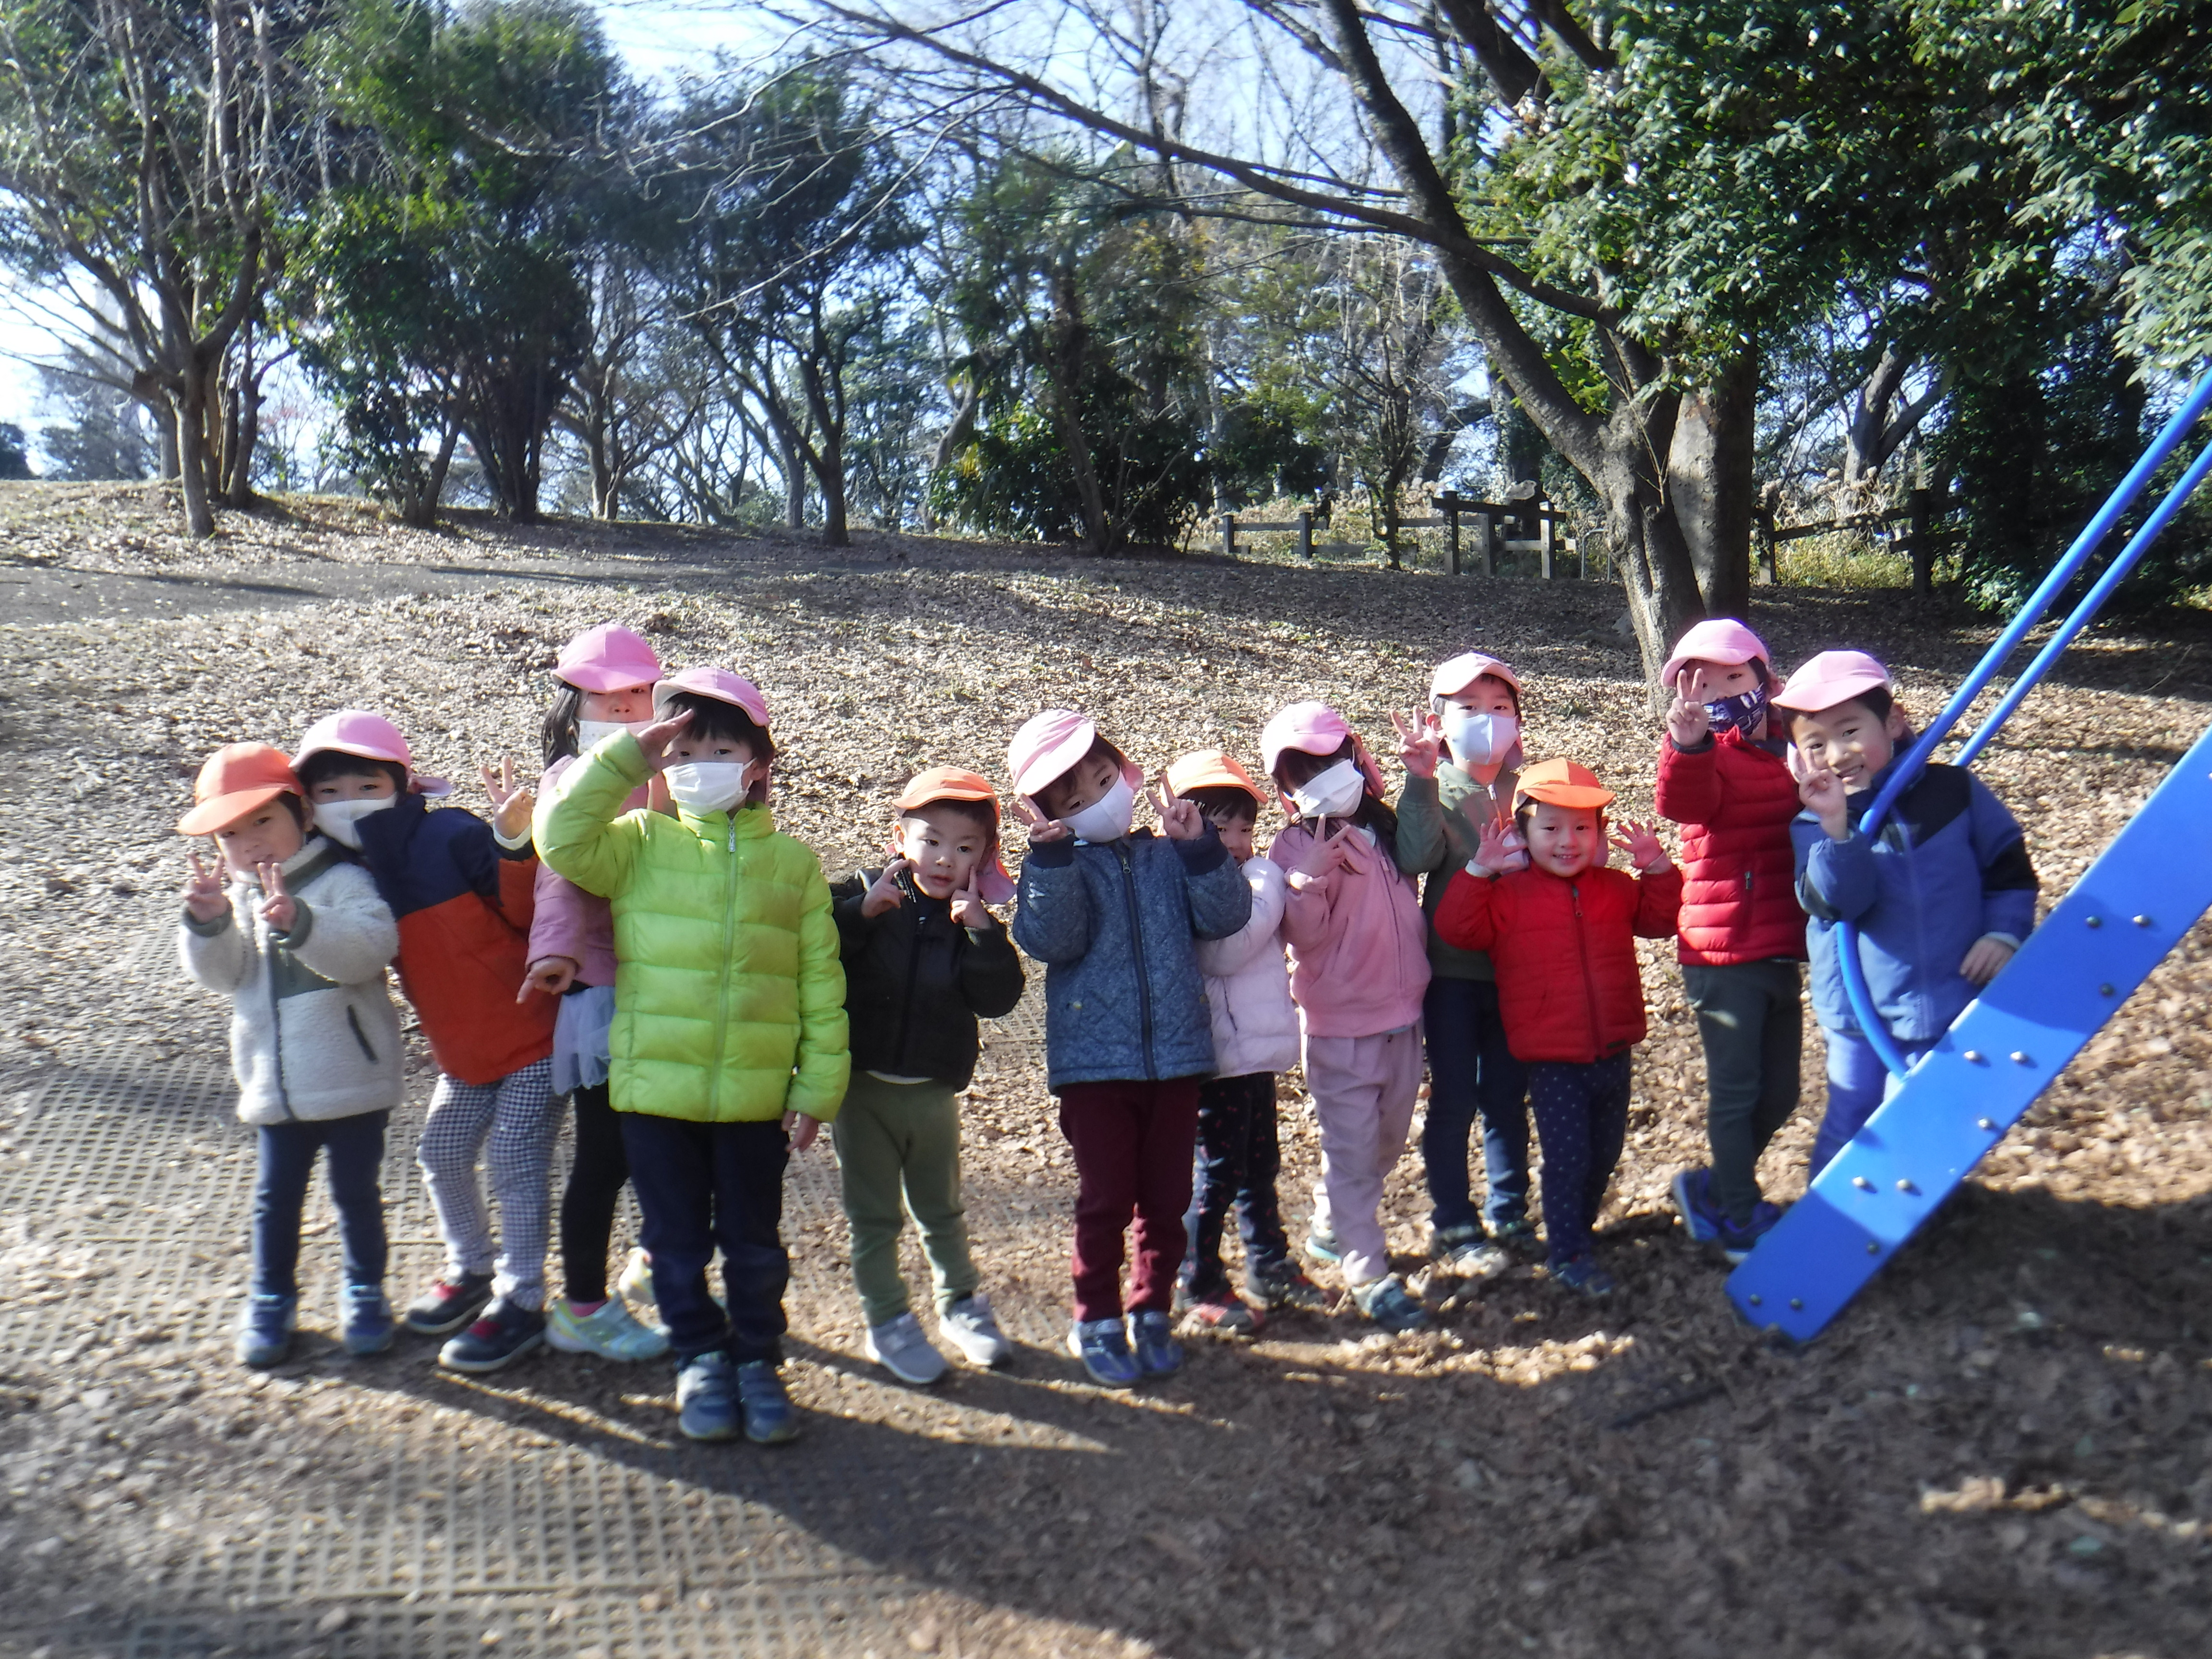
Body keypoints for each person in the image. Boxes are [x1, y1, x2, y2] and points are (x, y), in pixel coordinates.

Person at [536, 666, 848, 1445]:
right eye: (682, 751)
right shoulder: (640, 843)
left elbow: (820, 983)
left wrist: (818, 1087)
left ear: (758, 767)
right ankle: (700, 1356)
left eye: (721, 749)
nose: (700, 764)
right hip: (653, 1099)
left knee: (754, 1246)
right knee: (674, 1246)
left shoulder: (794, 867)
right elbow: (561, 838)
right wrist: (626, 760)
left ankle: (757, 1359)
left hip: (753, 1102)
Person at [294, 710, 558, 1372]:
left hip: (535, 1035)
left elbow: (530, 910)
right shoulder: (347, 873)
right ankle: (472, 1269)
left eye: (367, 786)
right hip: (464, 1054)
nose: (349, 803)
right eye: (329, 792)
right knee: (440, 1153)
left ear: (404, 786)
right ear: (308, 803)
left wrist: (514, 842)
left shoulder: (448, 834)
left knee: (514, 1161)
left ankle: (522, 1299)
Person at [1006, 709, 1251, 1388]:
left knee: (1168, 1200)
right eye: (1074, 800)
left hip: (1176, 1061)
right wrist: (1052, 861)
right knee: (1107, 1200)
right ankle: (1096, 1316)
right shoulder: (1055, 866)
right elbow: (1051, 940)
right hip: (1094, 1070)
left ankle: (1151, 1308)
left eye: (1103, 779)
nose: (1097, 800)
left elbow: (1226, 915)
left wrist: (1200, 849)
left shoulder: (1169, 854)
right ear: (1048, 815)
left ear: (1127, 774)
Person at [177, 744, 407, 1369]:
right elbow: (223, 977)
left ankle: (366, 1293)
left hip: (352, 1079)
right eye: (230, 833)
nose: (250, 842)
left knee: (356, 1194)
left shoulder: (341, 880)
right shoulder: (236, 897)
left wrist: (303, 923)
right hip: (274, 1088)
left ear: (303, 816)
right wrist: (210, 924)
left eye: (263, 821)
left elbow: (370, 949)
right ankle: (271, 1298)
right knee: (275, 1200)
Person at [1773, 651, 2038, 1172]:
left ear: (1893, 722)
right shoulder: (1813, 823)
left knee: (1921, 1114)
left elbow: (2009, 868)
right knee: (1852, 1114)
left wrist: (2003, 934)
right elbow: (1839, 903)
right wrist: (1837, 829)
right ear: (1799, 757)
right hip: (1857, 1011)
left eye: (1851, 731)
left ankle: (1910, 1201)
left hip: (1945, 994)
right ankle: (1828, 1211)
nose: (1838, 754)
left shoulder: (1953, 793)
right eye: (1816, 744)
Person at [1436, 759, 1682, 1296]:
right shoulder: (1509, 895)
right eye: (1550, 828)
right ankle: (1567, 1252)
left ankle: (1579, 1230)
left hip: (1614, 1049)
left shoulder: (1615, 888)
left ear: (1599, 834)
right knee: (1568, 1158)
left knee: (1604, 1155)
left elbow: (1661, 920)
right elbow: (1458, 929)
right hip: (1553, 1060)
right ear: (1523, 834)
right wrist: (1478, 870)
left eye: (1582, 828)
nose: (1567, 842)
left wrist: (1659, 868)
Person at [830, 767, 1024, 1385]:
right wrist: (861, 914)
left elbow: (998, 999)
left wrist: (984, 934)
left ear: (984, 857)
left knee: (941, 1209)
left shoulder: (973, 919)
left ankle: (961, 1304)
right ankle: (886, 1318)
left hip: (933, 1093)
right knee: (873, 1216)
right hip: (862, 1091)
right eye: (932, 841)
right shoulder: (864, 892)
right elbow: (815, 950)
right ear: (900, 839)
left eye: (964, 848)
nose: (945, 859)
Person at [516, 625, 671, 1363]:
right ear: (573, 707)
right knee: (606, 1156)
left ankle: (656, 1259)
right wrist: (554, 953)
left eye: (639, 694)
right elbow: (558, 879)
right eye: (608, 698)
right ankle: (582, 1304)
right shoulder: (567, 782)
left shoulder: (677, 768)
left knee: (673, 1138)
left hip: (671, 980)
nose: (625, 708)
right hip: (604, 988)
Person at [1263, 701, 1433, 1333]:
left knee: (1385, 1143)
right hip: (1340, 1031)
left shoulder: (1383, 829)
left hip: (1404, 1021)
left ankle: (1333, 1223)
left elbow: (1423, 854)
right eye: (1304, 774)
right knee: (1354, 1154)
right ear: (1288, 790)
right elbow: (1304, 938)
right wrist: (1305, 883)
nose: (1324, 779)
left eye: (1331, 761)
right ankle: (1367, 1271)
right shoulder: (1295, 846)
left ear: (1356, 757)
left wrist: (1421, 777)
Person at [1653, 619, 1809, 1264]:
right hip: (1723, 951)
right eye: (1701, 682)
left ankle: (1712, 1190)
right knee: (1738, 1091)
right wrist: (1687, 744)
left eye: (1733, 678)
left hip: (1782, 944)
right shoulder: (1706, 753)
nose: (1718, 692)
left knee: (1782, 1093)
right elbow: (1681, 803)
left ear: (1764, 682)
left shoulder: (1794, 748)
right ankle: (1740, 1216)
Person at [1164, 749, 1325, 1334]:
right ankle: (1196, 1277)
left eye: (1245, 830)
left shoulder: (1257, 876)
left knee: (1260, 1166)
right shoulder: (1196, 881)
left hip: (1256, 1051)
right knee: (1218, 1172)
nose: (1236, 842)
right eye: (1220, 828)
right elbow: (1224, 952)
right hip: (1217, 1056)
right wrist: (1268, 885)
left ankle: (1268, 1263)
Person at [1392, 652, 1534, 1281]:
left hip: (1517, 971)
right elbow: (1415, 857)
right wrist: (1420, 780)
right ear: (1440, 721)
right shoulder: (1439, 786)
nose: (1487, 719)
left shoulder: (1530, 789)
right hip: (1450, 974)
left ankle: (1510, 1212)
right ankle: (1453, 1218)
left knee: (1507, 1097)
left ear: (1518, 722)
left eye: (1500, 708)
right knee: (1453, 1099)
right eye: (1470, 708)